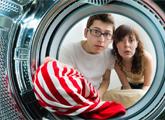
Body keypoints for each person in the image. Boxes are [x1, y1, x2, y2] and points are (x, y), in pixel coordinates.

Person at [59, 14, 115, 99]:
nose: (101, 40)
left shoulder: (109, 55)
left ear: (111, 39)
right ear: (86, 33)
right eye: (96, 32)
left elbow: (106, 80)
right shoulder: (68, 51)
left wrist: (98, 95)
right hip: (73, 96)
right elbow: (66, 84)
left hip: (96, 95)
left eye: (107, 34)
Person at [112, 24, 153, 90]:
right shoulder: (115, 59)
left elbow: (147, 85)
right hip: (128, 86)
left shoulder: (146, 58)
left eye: (131, 40)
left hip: (144, 87)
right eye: (121, 40)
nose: (127, 45)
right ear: (116, 44)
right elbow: (126, 86)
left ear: (137, 43)